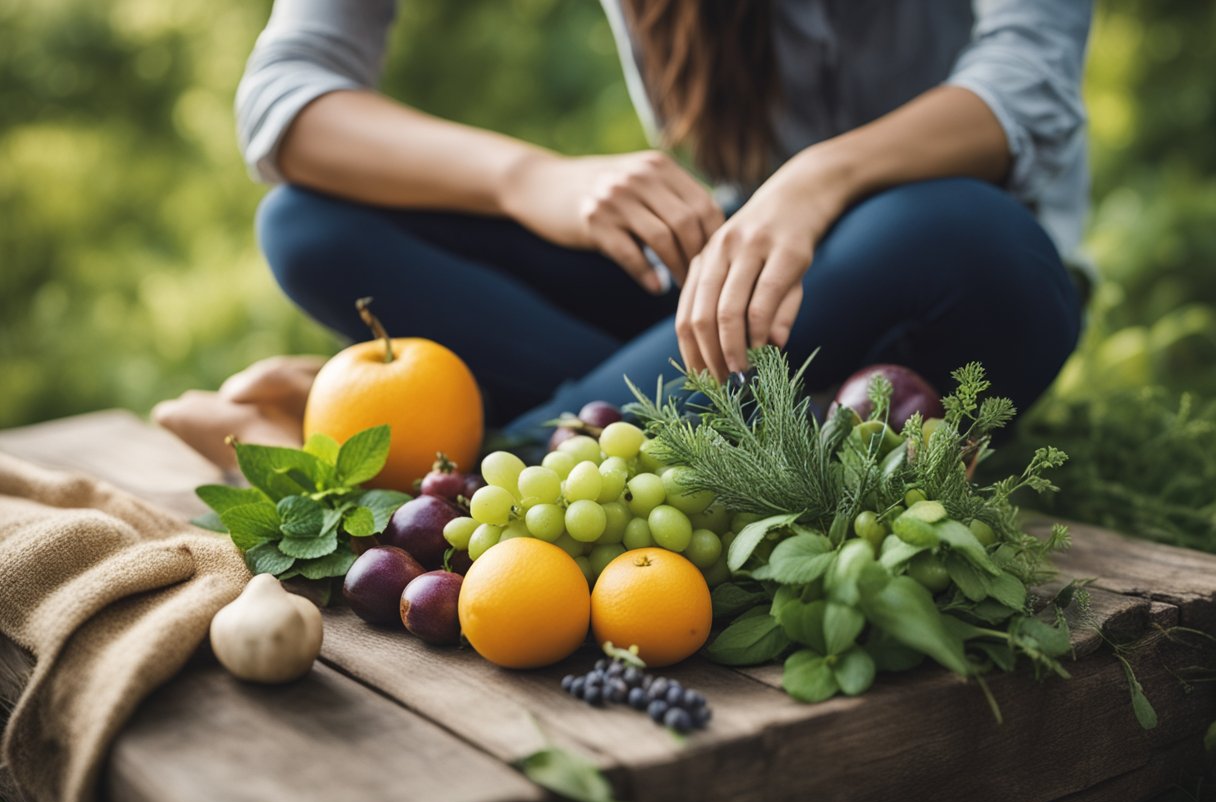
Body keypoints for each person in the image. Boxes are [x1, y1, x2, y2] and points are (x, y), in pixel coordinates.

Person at [156, 0, 1091, 466]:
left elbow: (1026, 84)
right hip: (736, 284)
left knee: (964, 231)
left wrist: (817, 181)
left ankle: (406, 463)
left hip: (938, 292)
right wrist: (533, 179)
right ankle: (666, 417)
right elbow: (287, 101)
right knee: (312, 220)